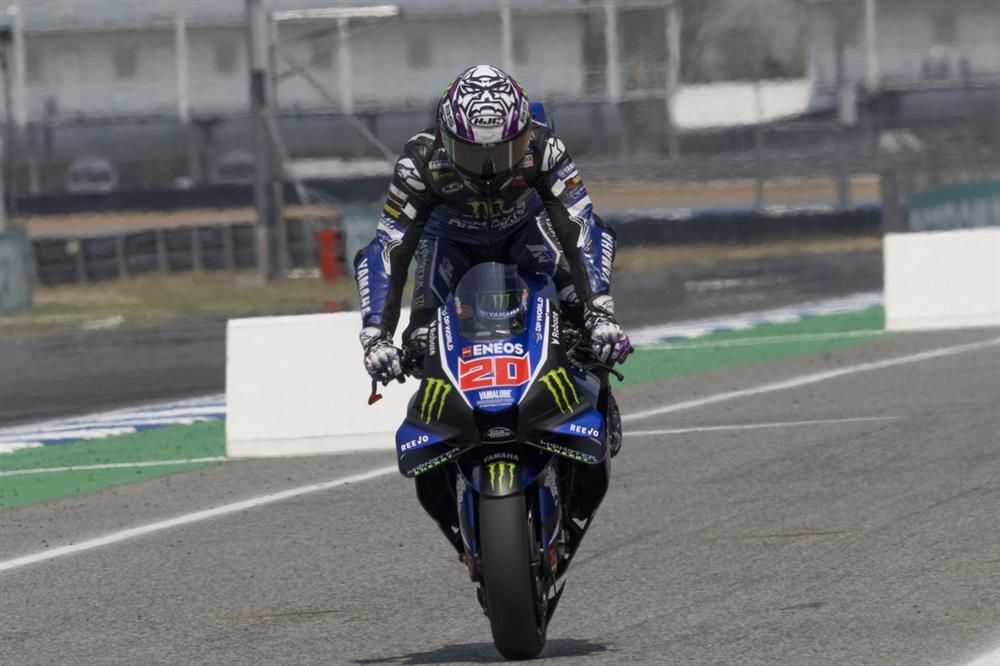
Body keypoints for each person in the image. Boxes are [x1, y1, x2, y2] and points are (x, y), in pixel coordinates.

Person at [354, 64, 631, 454]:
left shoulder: (546, 148)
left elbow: (579, 223)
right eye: (471, 153)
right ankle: (444, 422)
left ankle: (598, 390)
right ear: (445, 136)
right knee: (419, 340)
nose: (488, 169)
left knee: (581, 311)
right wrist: (376, 337)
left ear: (525, 134)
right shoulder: (418, 161)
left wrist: (600, 311)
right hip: (450, 243)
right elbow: (389, 244)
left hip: (525, 231)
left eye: (504, 151)